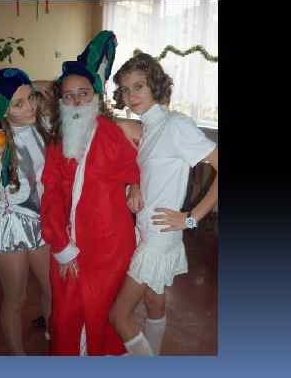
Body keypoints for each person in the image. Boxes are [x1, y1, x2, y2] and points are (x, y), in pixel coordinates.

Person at [108, 52, 219, 356]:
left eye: (139, 86)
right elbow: (148, 169)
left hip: (159, 236)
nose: (131, 95)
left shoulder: (175, 125)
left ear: (155, 86)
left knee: (119, 316)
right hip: (146, 229)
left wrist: (190, 218)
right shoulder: (147, 129)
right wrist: (134, 185)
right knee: (153, 302)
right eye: (125, 89)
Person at [40, 31, 141, 356]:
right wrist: (62, 246)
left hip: (111, 248)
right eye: (69, 96)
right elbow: (51, 195)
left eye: (83, 94)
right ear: (61, 101)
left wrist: (137, 185)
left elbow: (139, 167)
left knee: (105, 315)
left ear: (95, 96)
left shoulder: (114, 134)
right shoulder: (57, 143)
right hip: (69, 245)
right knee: (67, 317)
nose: (76, 101)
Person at [0, 67, 52, 355]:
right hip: (12, 225)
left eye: (31, 98)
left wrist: (26, 87)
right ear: (3, 110)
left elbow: (55, 88)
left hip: (44, 221)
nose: (29, 107)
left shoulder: (44, 125)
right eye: (18, 104)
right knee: (16, 299)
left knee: (52, 290)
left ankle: (55, 338)